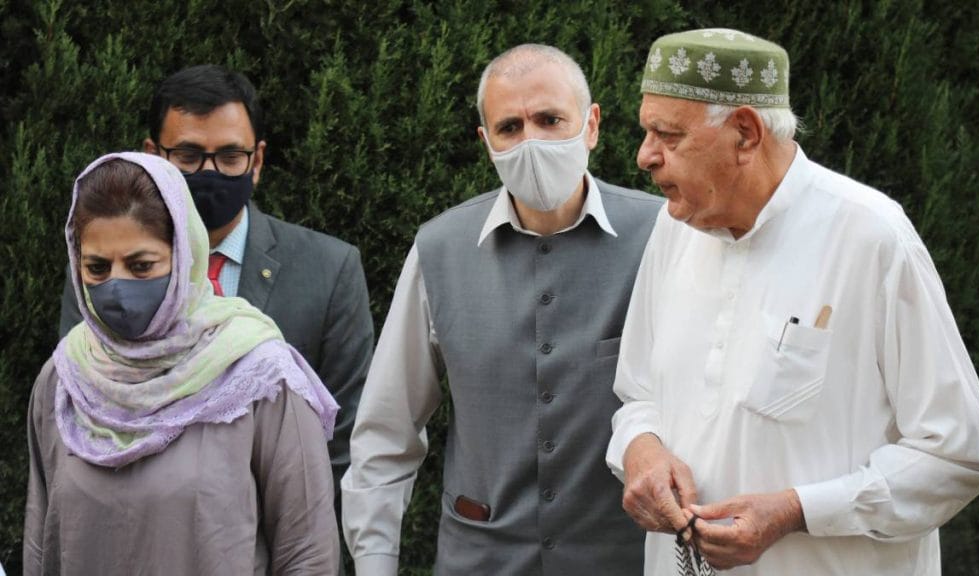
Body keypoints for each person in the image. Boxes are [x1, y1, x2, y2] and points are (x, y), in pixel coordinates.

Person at [606, 28, 979, 575]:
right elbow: (638, 394)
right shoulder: (675, 228)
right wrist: (642, 451)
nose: (644, 155)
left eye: (667, 135)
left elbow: (960, 452)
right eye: (646, 131)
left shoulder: (870, 237)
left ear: (745, 132)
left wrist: (798, 511)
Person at [341, 44, 663, 575]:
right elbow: (386, 429)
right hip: (480, 558)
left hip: (624, 559)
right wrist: (375, 561)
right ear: (486, 142)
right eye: (510, 127)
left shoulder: (660, 235)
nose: (531, 141)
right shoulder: (438, 248)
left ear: (592, 125)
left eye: (550, 119)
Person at [56, 65, 375, 518]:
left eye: (229, 157)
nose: (209, 173)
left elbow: (345, 438)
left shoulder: (329, 270)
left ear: (257, 161)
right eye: (187, 156)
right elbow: (81, 405)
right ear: (153, 156)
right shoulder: (104, 271)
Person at [25, 152, 340, 574]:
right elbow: (41, 544)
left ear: (184, 256)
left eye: (141, 265)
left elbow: (308, 552)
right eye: (97, 268)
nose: (116, 286)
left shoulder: (259, 377)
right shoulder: (65, 380)